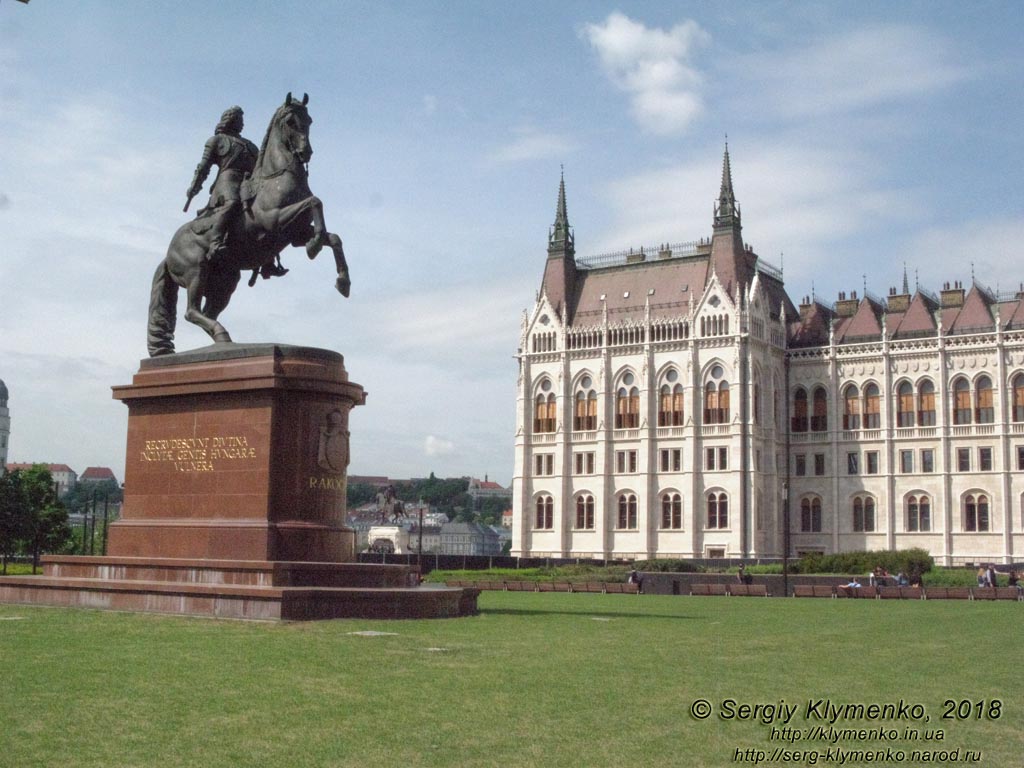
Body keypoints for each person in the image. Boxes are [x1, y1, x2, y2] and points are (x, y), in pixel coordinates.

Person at [185, 106, 281, 273]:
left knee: (267, 209)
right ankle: (215, 241)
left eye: (242, 120)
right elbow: (203, 167)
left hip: (248, 182)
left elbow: (260, 168)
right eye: (239, 119)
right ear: (229, 120)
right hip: (226, 181)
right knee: (233, 203)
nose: (242, 123)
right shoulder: (216, 140)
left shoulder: (250, 145)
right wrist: (194, 186)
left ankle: (268, 261)